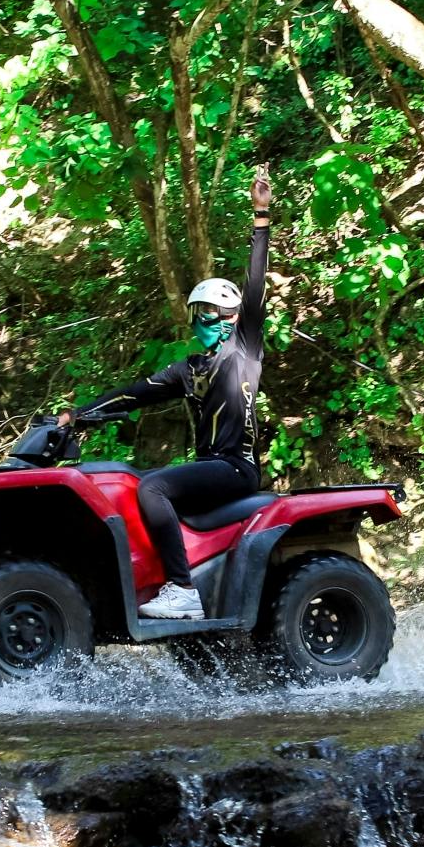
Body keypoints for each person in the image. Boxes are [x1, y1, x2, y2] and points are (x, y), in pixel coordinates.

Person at [59, 168, 274, 619]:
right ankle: (162, 580)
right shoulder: (188, 369)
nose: (202, 319)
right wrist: (79, 415)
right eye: (198, 312)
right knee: (138, 482)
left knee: (154, 487)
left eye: (210, 311)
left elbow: (255, 286)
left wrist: (260, 215)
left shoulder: (243, 351)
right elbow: (134, 394)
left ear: (230, 315)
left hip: (235, 467)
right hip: (209, 467)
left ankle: (183, 590)